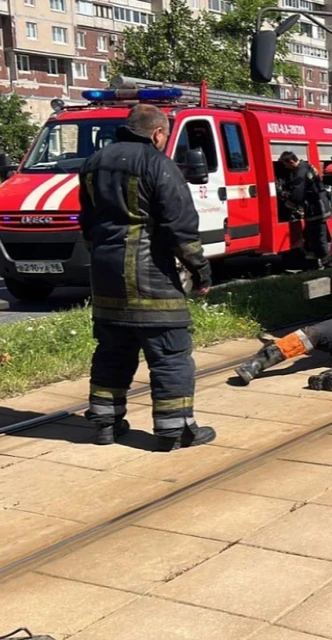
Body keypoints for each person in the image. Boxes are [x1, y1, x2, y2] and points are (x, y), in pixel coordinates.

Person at [78, 104, 216, 451]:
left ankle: (105, 423)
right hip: (151, 278)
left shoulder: (94, 164)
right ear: (157, 133)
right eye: (165, 135)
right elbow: (180, 228)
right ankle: (175, 429)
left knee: (112, 350)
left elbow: (88, 223)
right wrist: (201, 271)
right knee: (170, 354)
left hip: (106, 280)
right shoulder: (159, 165)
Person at [278, 151, 332, 264]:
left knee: (318, 235)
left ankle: (328, 262)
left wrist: (288, 204)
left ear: (291, 161)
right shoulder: (306, 166)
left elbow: (298, 192)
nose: (285, 167)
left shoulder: (300, 173)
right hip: (318, 204)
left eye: (285, 164)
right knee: (310, 234)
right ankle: (315, 261)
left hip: (316, 207)